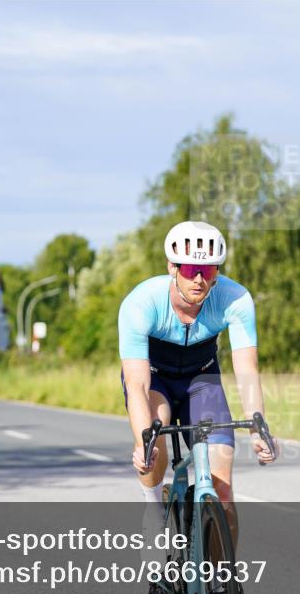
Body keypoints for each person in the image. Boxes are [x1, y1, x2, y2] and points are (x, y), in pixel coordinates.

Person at [118, 220, 279, 546]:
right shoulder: (141, 303)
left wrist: (258, 428)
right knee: (154, 432)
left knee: (222, 488)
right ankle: (153, 509)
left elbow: (247, 368)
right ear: (172, 267)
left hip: (201, 381)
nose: (199, 278)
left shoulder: (235, 299)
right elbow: (136, 384)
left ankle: (218, 582)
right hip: (155, 381)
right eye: (191, 268)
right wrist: (142, 442)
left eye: (208, 269)